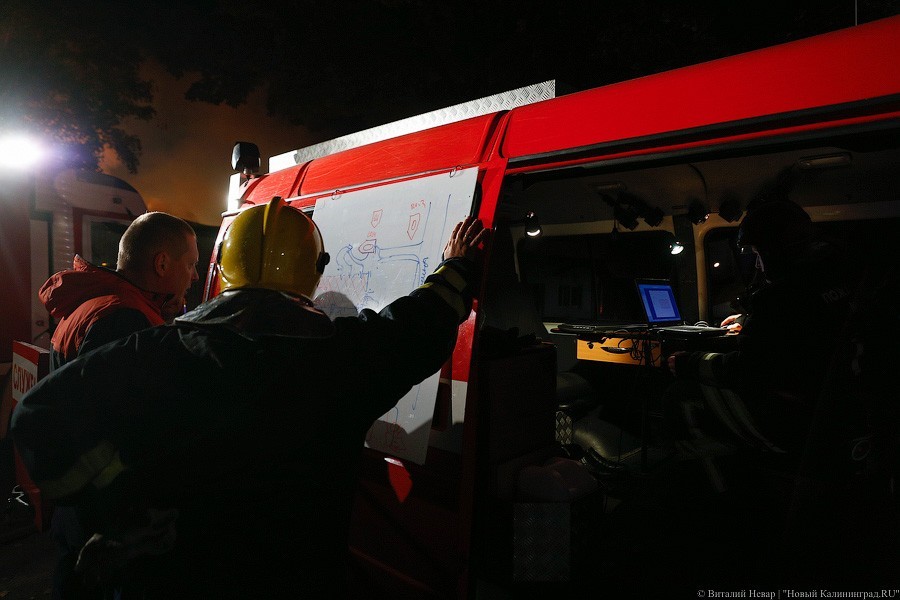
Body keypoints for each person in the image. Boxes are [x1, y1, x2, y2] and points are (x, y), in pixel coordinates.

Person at [11, 197, 487, 598]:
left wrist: (117, 499)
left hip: (173, 580)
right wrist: (456, 268)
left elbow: (38, 416)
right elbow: (414, 327)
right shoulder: (340, 361)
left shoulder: (152, 350)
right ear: (313, 271)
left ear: (225, 269)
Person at [36, 211, 199, 599]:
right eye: (191, 264)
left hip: (77, 504)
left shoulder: (97, 303)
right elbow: (124, 431)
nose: (195, 277)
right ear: (162, 263)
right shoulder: (124, 320)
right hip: (104, 518)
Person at [667, 197, 852, 454]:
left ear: (774, 251)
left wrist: (689, 362)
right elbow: (795, 327)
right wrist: (745, 321)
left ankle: (719, 470)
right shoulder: (837, 280)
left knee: (680, 392)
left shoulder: (778, 298)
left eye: (757, 253)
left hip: (792, 420)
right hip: (836, 408)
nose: (757, 263)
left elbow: (747, 371)